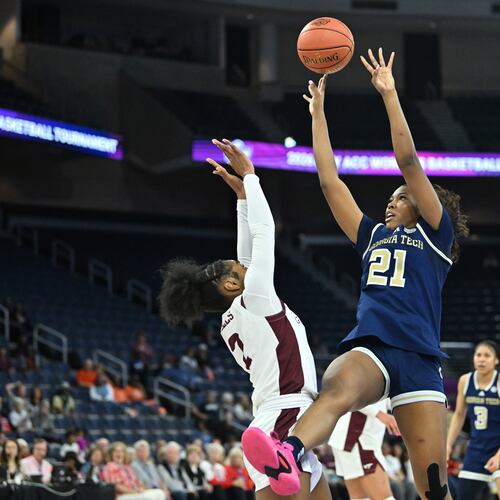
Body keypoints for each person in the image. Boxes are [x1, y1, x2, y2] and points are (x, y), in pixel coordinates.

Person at [240, 47, 469, 500]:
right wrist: (318, 116)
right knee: (337, 388)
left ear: (422, 208)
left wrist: (388, 93)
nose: (391, 201)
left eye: (401, 198)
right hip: (373, 347)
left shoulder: (435, 237)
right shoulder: (371, 235)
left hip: (420, 362)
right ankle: (286, 452)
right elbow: (329, 182)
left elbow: (407, 161)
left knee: (434, 489)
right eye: (391, 197)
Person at [158, 139, 331, 500]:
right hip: (285, 417)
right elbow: (264, 234)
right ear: (232, 284)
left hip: (290, 416)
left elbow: (246, 250)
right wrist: (251, 178)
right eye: (235, 268)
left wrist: (241, 199)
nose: (240, 261)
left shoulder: (235, 312)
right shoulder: (255, 298)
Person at [446, 340, 500, 500]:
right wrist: (448, 445)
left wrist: (498, 457)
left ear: (496, 360)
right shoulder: (465, 380)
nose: (481, 359)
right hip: (476, 450)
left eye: (487, 355)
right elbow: (459, 415)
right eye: (478, 355)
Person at [328, 399, 400, 500]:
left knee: (360, 497)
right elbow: (353, 395)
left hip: (356, 439)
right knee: (384, 497)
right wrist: (381, 415)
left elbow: (386, 398)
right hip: (357, 438)